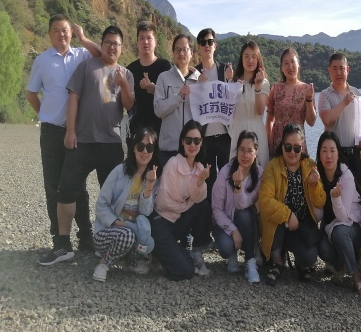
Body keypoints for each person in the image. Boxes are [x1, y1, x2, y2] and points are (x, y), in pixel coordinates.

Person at [39, 25, 135, 266]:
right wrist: (70, 131)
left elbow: (129, 105)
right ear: (101, 44)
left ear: (122, 48)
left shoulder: (125, 73)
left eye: (116, 44)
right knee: (66, 190)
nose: (112, 47)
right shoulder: (87, 66)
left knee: (114, 198)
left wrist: (123, 84)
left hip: (111, 144)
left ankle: (111, 244)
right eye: (108, 42)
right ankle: (63, 245)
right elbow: (74, 98)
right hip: (82, 141)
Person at [26, 14, 101, 251]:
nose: (62, 34)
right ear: (50, 34)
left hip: (77, 132)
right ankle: (59, 238)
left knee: (79, 186)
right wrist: (45, 114)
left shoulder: (81, 55)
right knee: (52, 186)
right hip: (51, 133)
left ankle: (86, 235)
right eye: (57, 30)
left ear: (71, 32)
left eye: (65, 30)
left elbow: (101, 55)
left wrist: (83, 37)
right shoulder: (42, 60)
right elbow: (31, 94)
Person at [259, 123, 326, 284]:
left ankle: (300, 264)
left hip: (302, 225)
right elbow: (265, 201)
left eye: (297, 148)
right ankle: (277, 260)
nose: (292, 152)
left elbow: (320, 202)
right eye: (288, 147)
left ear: (302, 147)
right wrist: (288, 215)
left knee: (309, 258)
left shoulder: (310, 165)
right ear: (282, 146)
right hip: (279, 224)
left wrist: (314, 186)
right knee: (276, 221)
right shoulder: (273, 166)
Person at [92, 127, 160, 282]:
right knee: (128, 235)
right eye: (140, 146)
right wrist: (118, 223)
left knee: (142, 234)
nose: (145, 151)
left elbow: (146, 212)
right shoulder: (119, 171)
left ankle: (130, 261)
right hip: (108, 232)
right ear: (133, 148)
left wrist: (149, 186)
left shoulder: (152, 176)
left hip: (133, 232)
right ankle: (104, 263)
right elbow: (101, 205)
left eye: (149, 148)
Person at [150, 120, 213, 281]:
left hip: (178, 220)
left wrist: (200, 181)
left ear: (201, 142)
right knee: (185, 271)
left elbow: (198, 199)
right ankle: (159, 252)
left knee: (203, 204)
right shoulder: (173, 164)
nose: (192, 145)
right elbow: (163, 203)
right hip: (162, 222)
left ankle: (195, 250)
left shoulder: (199, 168)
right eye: (188, 140)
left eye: (196, 141)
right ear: (182, 142)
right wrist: (187, 203)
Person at [316, 131, 361, 298]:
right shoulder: (316, 175)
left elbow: (343, 217)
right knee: (320, 245)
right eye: (324, 151)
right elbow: (317, 216)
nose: (328, 156)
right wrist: (313, 189)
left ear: (338, 154)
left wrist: (335, 199)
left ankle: (356, 276)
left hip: (353, 229)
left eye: (332, 150)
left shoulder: (346, 176)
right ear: (319, 154)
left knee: (339, 232)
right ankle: (341, 265)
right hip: (331, 230)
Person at [212, 130, 264, 283]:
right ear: (236, 150)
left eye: (249, 151)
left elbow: (243, 205)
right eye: (242, 150)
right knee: (226, 247)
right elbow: (216, 209)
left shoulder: (259, 174)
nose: (245, 155)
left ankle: (250, 261)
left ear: (256, 153)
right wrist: (233, 230)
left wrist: (239, 185)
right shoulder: (225, 172)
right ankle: (232, 254)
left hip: (245, 221)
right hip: (224, 222)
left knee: (245, 213)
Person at [195, 28, 233, 190]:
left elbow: (234, 98)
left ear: (215, 46)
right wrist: (199, 86)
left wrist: (230, 81)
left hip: (225, 135)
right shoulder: (194, 73)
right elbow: (192, 105)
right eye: (203, 42)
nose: (207, 45)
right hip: (205, 138)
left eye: (210, 42)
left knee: (227, 179)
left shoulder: (225, 70)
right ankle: (209, 206)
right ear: (198, 46)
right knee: (208, 180)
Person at [154, 34, 200, 167]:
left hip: (192, 148)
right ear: (173, 53)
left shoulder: (200, 80)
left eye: (185, 49)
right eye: (178, 50)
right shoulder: (163, 78)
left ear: (191, 53)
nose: (181, 53)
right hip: (169, 148)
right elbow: (158, 110)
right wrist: (178, 97)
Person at [318, 53, 361, 185]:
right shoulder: (324, 95)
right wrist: (344, 102)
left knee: (358, 192)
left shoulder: (357, 93)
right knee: (335, 191)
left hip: (355, 154)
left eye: (342, 68)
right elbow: (327, 120)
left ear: (347, 70)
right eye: (335, 69)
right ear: (329, 71)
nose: (338, 73)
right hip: (335, 155)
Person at [126, 21, 171, 142]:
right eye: (141, 38)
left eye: (149, 38)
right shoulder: (130, 70)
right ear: (137, 43)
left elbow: (171, 97)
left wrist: (153, 89)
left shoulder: (164, 66)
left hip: (160, 131)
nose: (145, 42)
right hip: (136, 132)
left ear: (155, 42)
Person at [266, 47, 316, 155]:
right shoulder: (276, 88)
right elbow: (269, 119)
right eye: (286, 63)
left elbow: (311, 122)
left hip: (297, 145)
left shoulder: (306, 89)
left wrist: (309, 100)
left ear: (298, 64)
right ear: (282, 68)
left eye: (293, 62)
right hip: (277, 144)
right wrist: (268, 143)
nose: (290, 66)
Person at [229, 40, 270, 167]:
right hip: (237, 131)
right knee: (236, 171)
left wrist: (257, 88)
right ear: (241, 59)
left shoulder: (264, 83)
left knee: (258, 171)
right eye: (246, 56)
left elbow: (260, 111)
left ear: (258, 59)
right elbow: (227, 111)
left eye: (253, 56)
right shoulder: (233, 83)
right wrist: (227, 82)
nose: (250, 60)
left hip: (256, 131)